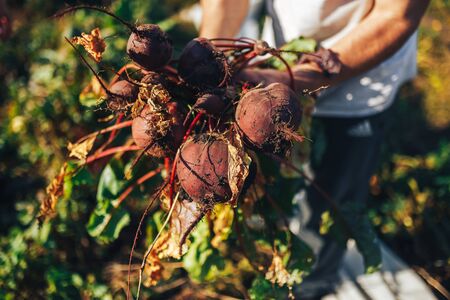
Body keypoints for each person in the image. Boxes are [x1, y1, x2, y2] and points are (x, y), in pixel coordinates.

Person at [199, 0, 430, 298]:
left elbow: (395, 15)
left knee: (331, 199)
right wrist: (206, 60)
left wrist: (296, 78)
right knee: (278, 181)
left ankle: (313, 284)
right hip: (282, 60)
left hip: (363, 80)